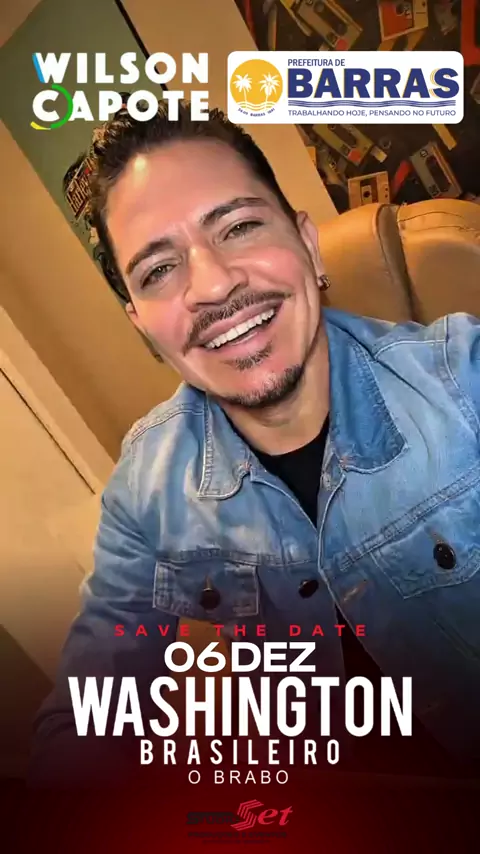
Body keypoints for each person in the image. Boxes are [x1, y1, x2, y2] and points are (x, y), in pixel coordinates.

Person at [30, 103, 480, 786]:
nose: (214, 285)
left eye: (239, 227)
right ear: (142, 325)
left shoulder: (462, 382)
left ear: (309, 244)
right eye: (158, 271)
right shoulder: (147, 488)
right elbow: (89, 711)